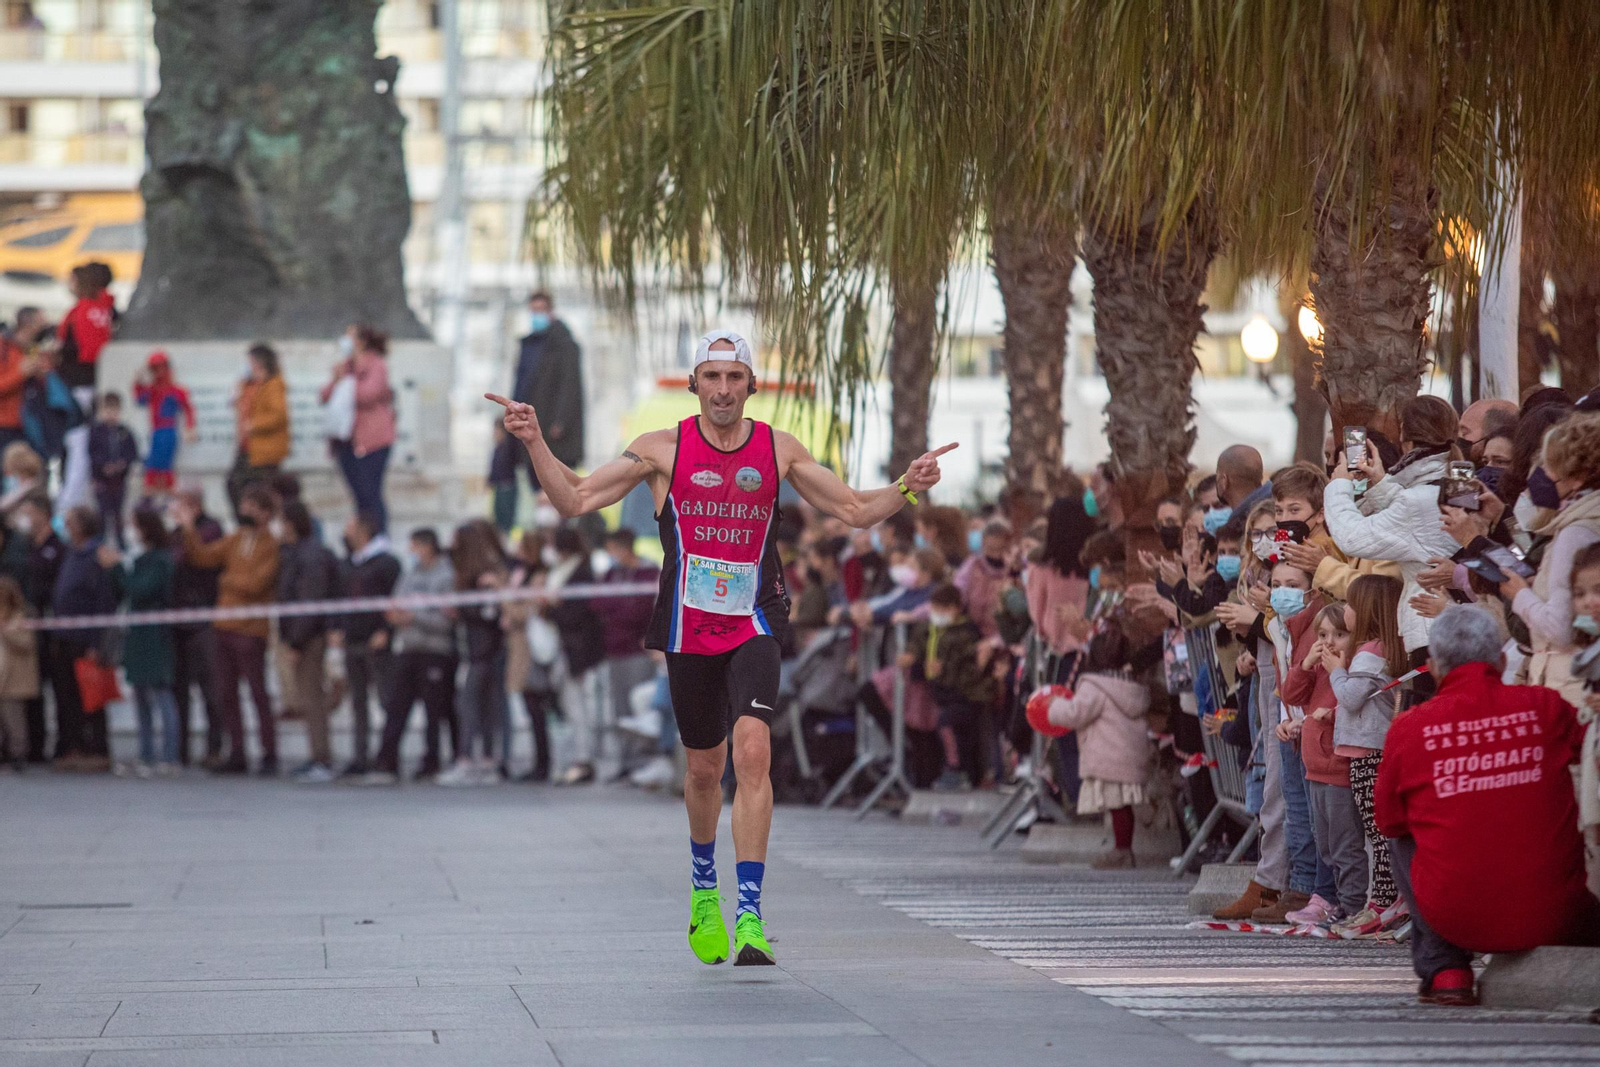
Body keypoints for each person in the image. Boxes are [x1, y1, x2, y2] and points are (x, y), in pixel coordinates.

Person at [488, 327, 952, 967]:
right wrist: (536, 441)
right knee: (705, 768)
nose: (724, 389)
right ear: (695, 383)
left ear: (752, 385)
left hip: (756, 621)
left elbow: (852, 509)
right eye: (713, 377)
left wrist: (907, 486)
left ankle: (752, 913)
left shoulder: (779, 449)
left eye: (736, 378)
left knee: (753, 750)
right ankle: (704, 888)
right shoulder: (661, 449)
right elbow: (575, 499)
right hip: (686, 629)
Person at [1376, 604, 1600, 1007]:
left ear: (1434, 667)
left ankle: (1445, 969)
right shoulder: (1544, 705)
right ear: (1499, 659)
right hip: (1561, 913)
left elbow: (1388, 822)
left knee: (1400, 836)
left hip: (1456, 918)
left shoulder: (1409, 727)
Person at [1326, 395, 1463, 703]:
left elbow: (1351, 537)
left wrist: (1339, 485)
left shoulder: (1417, 501)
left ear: (1403, 435)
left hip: (1432, 634)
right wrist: (1382, 483)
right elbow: (1426, 529)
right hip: (1459, 625)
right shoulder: (1460, 478)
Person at [176, 484, 281, 775]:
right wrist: (188, 530)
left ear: (266, 514)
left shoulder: (270, 545)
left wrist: (227, 581)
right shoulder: (235, 539)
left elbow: (256, 583)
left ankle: (269, 751)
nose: (245, 513)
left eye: (252, 508)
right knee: (226, 692)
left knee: (258, 691)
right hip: (225, 624)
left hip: (251, 627)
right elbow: (203, 557)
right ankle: (237, 751)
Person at [1030, 623, 1153, 868]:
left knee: (1117, 807)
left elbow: (1075, 713)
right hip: (1128, 756)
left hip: (1109, 757)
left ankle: (1122, 851)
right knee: (1122, 806)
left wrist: (1053, 705)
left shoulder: (1093, 686)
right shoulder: (1131, 686)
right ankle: (1122, 847)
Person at [1326, 573, 1407, 937]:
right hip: (1372, 747)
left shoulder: (1369, 652)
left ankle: (1383, 902)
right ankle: (1386, 900)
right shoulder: (1382, 648)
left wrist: (1336, 671)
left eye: (1351, 604)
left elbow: (1352, 697)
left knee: (1377, 831)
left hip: (1369, 750)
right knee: (1378, 830)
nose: (1346, 610)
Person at [1281, 603, 1365, 926]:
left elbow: (1355, 701)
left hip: (1338, 767)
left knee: (1345, 845)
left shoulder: (1351, 668)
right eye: (1323, 635)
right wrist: (1305, 663)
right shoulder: (1318, 668)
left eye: (1339, 635)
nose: (1329, 643)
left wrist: (1331, 709)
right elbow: (1291, 693)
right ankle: (1340, 904)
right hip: (1314, 766)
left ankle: (1354, 906)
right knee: (1326, 843)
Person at [366, 528, 458, 784]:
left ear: (427, 546)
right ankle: (386, 761)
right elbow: (396, 604)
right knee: (396, 706)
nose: (411, 552)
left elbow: (446, 621)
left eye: (415, 546)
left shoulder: (446, 576)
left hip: (435, 651)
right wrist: (396, 618)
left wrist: (414, 617)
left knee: (433, 711)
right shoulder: (409, 574)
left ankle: (431, 762)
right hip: (407, 649)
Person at [104, 507, 180, 778]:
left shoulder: (160, 560)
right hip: (137, 634)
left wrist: (117, 569)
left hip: (154, 635)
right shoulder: (142, 559)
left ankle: (169, 756)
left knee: (161, 696)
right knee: (140, 698)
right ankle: (146, 754)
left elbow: (142, 590)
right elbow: (125, 592)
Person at [274, 500, 343, 782]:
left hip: (308, 636)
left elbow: (308, 600)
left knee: (311, 698)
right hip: (305, 633)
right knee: (308, 697)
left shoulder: (309, 556)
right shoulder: (296, 553)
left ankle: (321, 758)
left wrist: (296, 642)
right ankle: (318, 755)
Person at [439, 519, 509, 786]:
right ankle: (483, 760)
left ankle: (471, 760)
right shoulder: (470, 576)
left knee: (472, 706)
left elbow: (487, 614)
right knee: (480, 706)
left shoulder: (482, 578)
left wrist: (461, 611)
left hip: (483, 652)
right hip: (476, 650)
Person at [907, 583, 997, 791]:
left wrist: (941, 670)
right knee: (955, 733)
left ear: (956, 608)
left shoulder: (965, 633)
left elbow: (965, 668)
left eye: (943, 609)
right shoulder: (932, 630)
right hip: (946, 694)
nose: (938, 614)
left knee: (955, 730)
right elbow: (918, 648)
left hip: (966, 694)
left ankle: (957, 770)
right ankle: (960, 771)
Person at [49, 505, 118, 771]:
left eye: (70, 522)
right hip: (65, 635)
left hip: (84, 636)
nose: (67, 526)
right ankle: (74, 746)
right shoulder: (72, 554)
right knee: (68, 696)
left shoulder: (95, 555)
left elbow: (103, 600)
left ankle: (97, 749)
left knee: (90, 695)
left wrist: (95, 643)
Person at [334, 512, 400, 778]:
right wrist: (336, 627)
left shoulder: (386, 563)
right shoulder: (349, 564)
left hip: (377, 640)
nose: (345, 533)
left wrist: (386, 630)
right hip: (353, 639)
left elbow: (395, 597)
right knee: (358, 701)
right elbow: (338, 598)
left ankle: (387, 755)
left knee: (386, 699)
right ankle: (360, 755)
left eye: (350, 527)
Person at [544, 526, 606, 785]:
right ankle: (575, 758)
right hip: (564, 647)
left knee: (577, 706)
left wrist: (551, 609)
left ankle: (583, 759)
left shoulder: (580, 572)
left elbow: (577, 613)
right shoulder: (570, 568)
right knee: (569, 706)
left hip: (577, 649)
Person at [321, 325, 396, 532]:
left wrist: (346, 381)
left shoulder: (376, 365)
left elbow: (369, 394)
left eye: (349, 335)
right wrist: (337, 379)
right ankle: (363, 537)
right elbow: (325, 395)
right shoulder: (345, 366)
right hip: (345, 441)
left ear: (361, 341)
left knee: (370, 493)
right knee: (358, 496)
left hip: (372, 441)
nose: (344, 339)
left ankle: (377, 535)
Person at [511, 291, 585, 497]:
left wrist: (560, 422)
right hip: (531, 426)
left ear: (551, 311)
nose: (537, 316)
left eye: (541, 310)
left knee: (556, 487)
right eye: (533, 311)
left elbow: (570, 387)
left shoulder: (564, 345)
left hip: (554, 434)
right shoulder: (529, 345)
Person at [170, 485, 224, 768]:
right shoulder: (176, 534)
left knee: (210, 689)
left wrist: (188, 528)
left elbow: (194, 558)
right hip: (177, 619)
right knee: (179, 690)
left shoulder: (211, 529)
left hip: (203, 618)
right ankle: (181, 749)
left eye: (178, 503)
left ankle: (215, 747)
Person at [13, 492, 60, 763]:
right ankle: (30, 745)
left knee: (45, 687)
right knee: (28, 688)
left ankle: (43, 745)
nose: (26, 520)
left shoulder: (55, 547)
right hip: (27, 624)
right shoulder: (25, 547)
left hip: (47, 626)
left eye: (30, 513)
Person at [229, 343, 291, 516]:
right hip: (247, 447)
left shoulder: (273, 385)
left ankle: (258, 524)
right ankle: (249, 524)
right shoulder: (250, 384)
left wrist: (254, 425)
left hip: (264, 451)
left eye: (250, 361)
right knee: (237, 486)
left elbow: (278, 416)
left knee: (254, 490)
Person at [133, 351, 196, 494]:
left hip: (168, 431)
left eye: (161, 368)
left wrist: (190, 427)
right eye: (155, 369)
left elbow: (188, 409)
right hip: (156, 432)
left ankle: (167, 487)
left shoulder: (176, 391)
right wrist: (138, 380)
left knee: (164, 463)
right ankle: (151, 489)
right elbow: (139, 399)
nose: (159, 372)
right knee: (153, 462)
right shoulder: (152, 390)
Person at [87, 391, 139, 548]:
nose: (111, 414)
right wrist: (103, 467)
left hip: (119, 481)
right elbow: (92, 453)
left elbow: (132, 453)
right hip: (102, 481)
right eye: (108, 410)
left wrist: (122, 465)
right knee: (102, 514)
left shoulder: (124, 432)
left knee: (117, 515)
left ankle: (121, 545)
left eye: (114, 410)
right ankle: (100, 544)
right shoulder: (96, 431)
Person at [0, 575, 38, 772]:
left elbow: (26, 643)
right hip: (2, 675)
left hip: (13, 679)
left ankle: (19, 754)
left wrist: (6, 631)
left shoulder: (21, 617)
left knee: (14, 719)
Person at [0, 309, 42, 455]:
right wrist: (20, 373)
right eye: (40, 322)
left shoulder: (31, 349)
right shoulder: (3, 347)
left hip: (29, 422)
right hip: (5, 424)